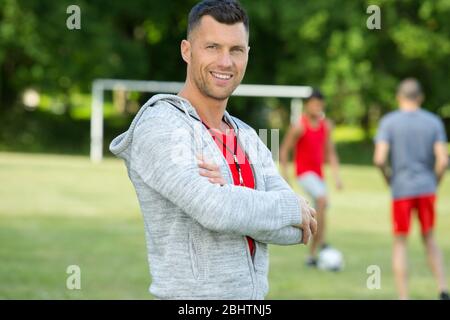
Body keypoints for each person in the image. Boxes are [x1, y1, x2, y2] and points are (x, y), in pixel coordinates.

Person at [109, 0, 316, 299]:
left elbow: (298, 230)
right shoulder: (160, 125)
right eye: (212, 47)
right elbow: (214, 210)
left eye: (236, 50)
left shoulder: (246, 135)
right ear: (186, 50)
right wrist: (287, 207)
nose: (225, 62)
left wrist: (230, 194)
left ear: (247, 55)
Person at [374, 78, 449, 300]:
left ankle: (404, 297)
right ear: (421, 97)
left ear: (399, 97)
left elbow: (379, 159)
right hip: (427, 189)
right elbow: (443, 161)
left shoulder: (389, 122)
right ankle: (443, 288)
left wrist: (389, 179)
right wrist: (435, 182)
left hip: (401, 189)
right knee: (429, 238)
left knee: (400, 242)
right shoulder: (433, 122)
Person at [280, 89, 343, 267]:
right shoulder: (299, 126)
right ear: (307, 105)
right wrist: (286, 177)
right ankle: (318, 246)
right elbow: (284, 150)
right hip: (304, 173)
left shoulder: (326, 126)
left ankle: (315, 251)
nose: (317, 107)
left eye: (320, 104)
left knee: (322, 209)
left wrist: (337, 177)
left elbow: (330, 153)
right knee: (322, 201)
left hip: (318, 175)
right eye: (313, 103)